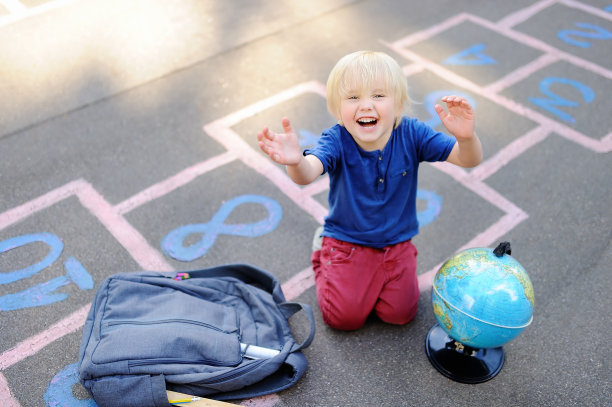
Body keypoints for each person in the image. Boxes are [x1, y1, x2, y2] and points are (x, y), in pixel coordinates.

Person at [257, 50, 482, 331]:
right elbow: (307, 172)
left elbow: (467, 158)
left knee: (401, 315)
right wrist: (295, 161)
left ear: (398, 105)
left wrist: (466, 137)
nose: (365, 105)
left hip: (397, 243)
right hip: (348, 242)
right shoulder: (336, 139)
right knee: (343, 320)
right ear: (339, 110)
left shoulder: (412, 133)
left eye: (378, 95)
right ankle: (322, 253)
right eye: (353, 97)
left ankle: (374, 280)